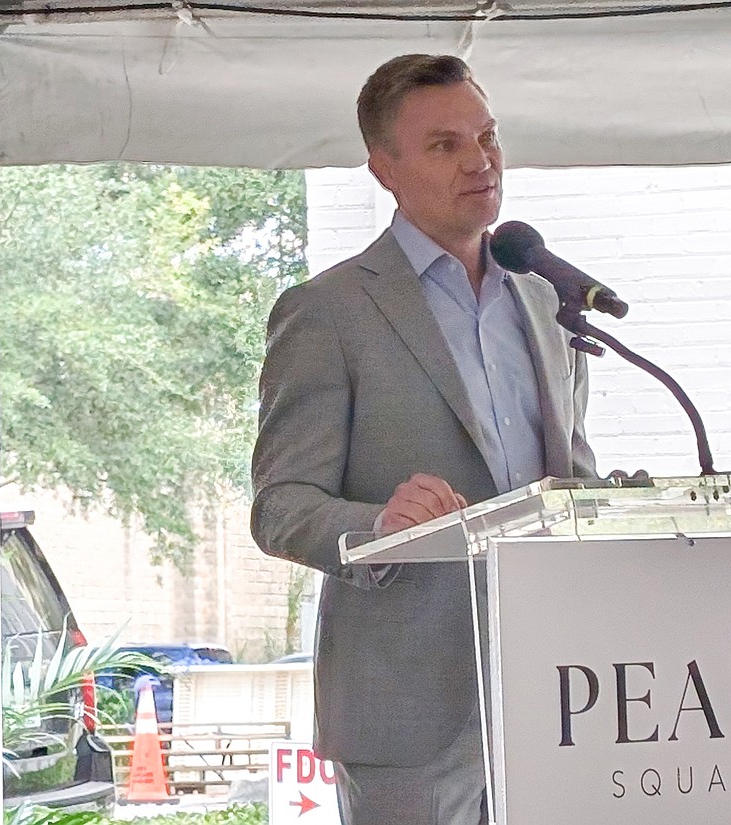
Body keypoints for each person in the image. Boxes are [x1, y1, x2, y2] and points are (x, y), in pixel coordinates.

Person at [250, 53, 596, 825]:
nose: (481, 161)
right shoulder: (328, 312)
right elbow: (279, 506)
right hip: (406, 705)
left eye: (488, 136)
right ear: (385, 170)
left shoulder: (545, 304)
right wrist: (377, 526)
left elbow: (571, 485)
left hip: (556, 693)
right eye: (445, 145)